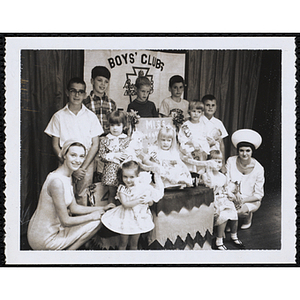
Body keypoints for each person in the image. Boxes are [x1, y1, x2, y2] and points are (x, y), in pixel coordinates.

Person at [27, 140, 114, 250]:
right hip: (43, 238)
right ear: (64, 156)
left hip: (56, 230)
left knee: (97, 221)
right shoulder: (56, 181)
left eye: (81, 156)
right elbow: (66, 221)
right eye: (73, 155)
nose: (78, 160)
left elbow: (74, 208)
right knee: (97, 222)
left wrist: (102, 208)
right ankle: (66, 256)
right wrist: (92, 216)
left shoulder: (67, 177)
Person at [44, 77, 104, 205]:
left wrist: (82, 168)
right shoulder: (58, 116)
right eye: (73, 91)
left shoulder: (91, 116)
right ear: (67, 92)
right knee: (63, 195)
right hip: (65, 163)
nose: (77, 95)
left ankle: (79, 224)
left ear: (85, 94)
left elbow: (95, 144)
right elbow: (55, 145)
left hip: (85, 165)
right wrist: (68, 164)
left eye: (80, 92)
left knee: (82, 196)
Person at [101, 160, 164, 250]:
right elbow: (125, 204)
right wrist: (138, 200)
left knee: (134, 243)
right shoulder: (122, 188)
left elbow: (150, 203)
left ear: (138, 176)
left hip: (138, 219)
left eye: (132, 177)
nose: (128, 180)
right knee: (123, 242)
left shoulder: (142, 188)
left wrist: (148, 200)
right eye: (125, 177)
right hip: (126, 218)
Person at [203, 150, 245, 250]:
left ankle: (234, 236)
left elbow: (226, 188)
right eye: (215, 161)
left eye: (220, 162)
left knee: (233, 212)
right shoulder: (207, 176)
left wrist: (230, 195)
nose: (218, 164)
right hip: (213, 200)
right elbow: (209, 189)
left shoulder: (222, 176)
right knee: (224, 216)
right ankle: (219, 240)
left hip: (223, 198)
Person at [226, 129, 265, 229]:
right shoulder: (231, 161)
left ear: (252, 151)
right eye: (241, 150)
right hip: (231, 196)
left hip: (250, 200)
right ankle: (229, 221)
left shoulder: (259, 168)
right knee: (223, 213)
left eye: (248, 151)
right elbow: (227, 181)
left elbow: (258, 195)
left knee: (238, 212)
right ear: (238, 151)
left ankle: (247, 216)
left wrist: (242, 200)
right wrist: (233, 196)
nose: (244, 154)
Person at [98, 110, 131, 204]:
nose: (115, 128)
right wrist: (114, 155)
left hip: (124, 170)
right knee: (112, 194)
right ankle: (111, 212)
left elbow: (132, 153)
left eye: (118, 125)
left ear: (124, 126)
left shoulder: (127, 139)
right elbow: (101, 156)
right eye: (112, 125)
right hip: (111, 171)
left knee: (125, 193)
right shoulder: (105, 140)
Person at [178, 100, 210, 173]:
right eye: (194, 111)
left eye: (199, 112)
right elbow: (182, 139)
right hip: (189, 150)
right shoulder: (185, 125)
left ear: (202, 113)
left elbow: (205, 138)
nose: (196, 114)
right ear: (189, 112)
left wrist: (200, 145)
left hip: (201, 151)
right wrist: (191, 144)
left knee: (201, 170)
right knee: (190, 170)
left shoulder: (203, 125)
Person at [83, 66, 116, 134]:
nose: (103, 84)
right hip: (91, 138)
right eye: (99, 80)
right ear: (92, 81)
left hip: (108, 139)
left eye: (106, 82)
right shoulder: (85, 102)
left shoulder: (112, 104)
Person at [200, 94, 228, 172]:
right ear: (203, 106)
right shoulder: (198, 121)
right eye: (207, 105)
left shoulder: (218, 123)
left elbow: (221, 144)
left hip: (215, 156)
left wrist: (222, 164)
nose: (210, 107)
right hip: (202, 155)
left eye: (213, 105)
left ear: (216, 107)